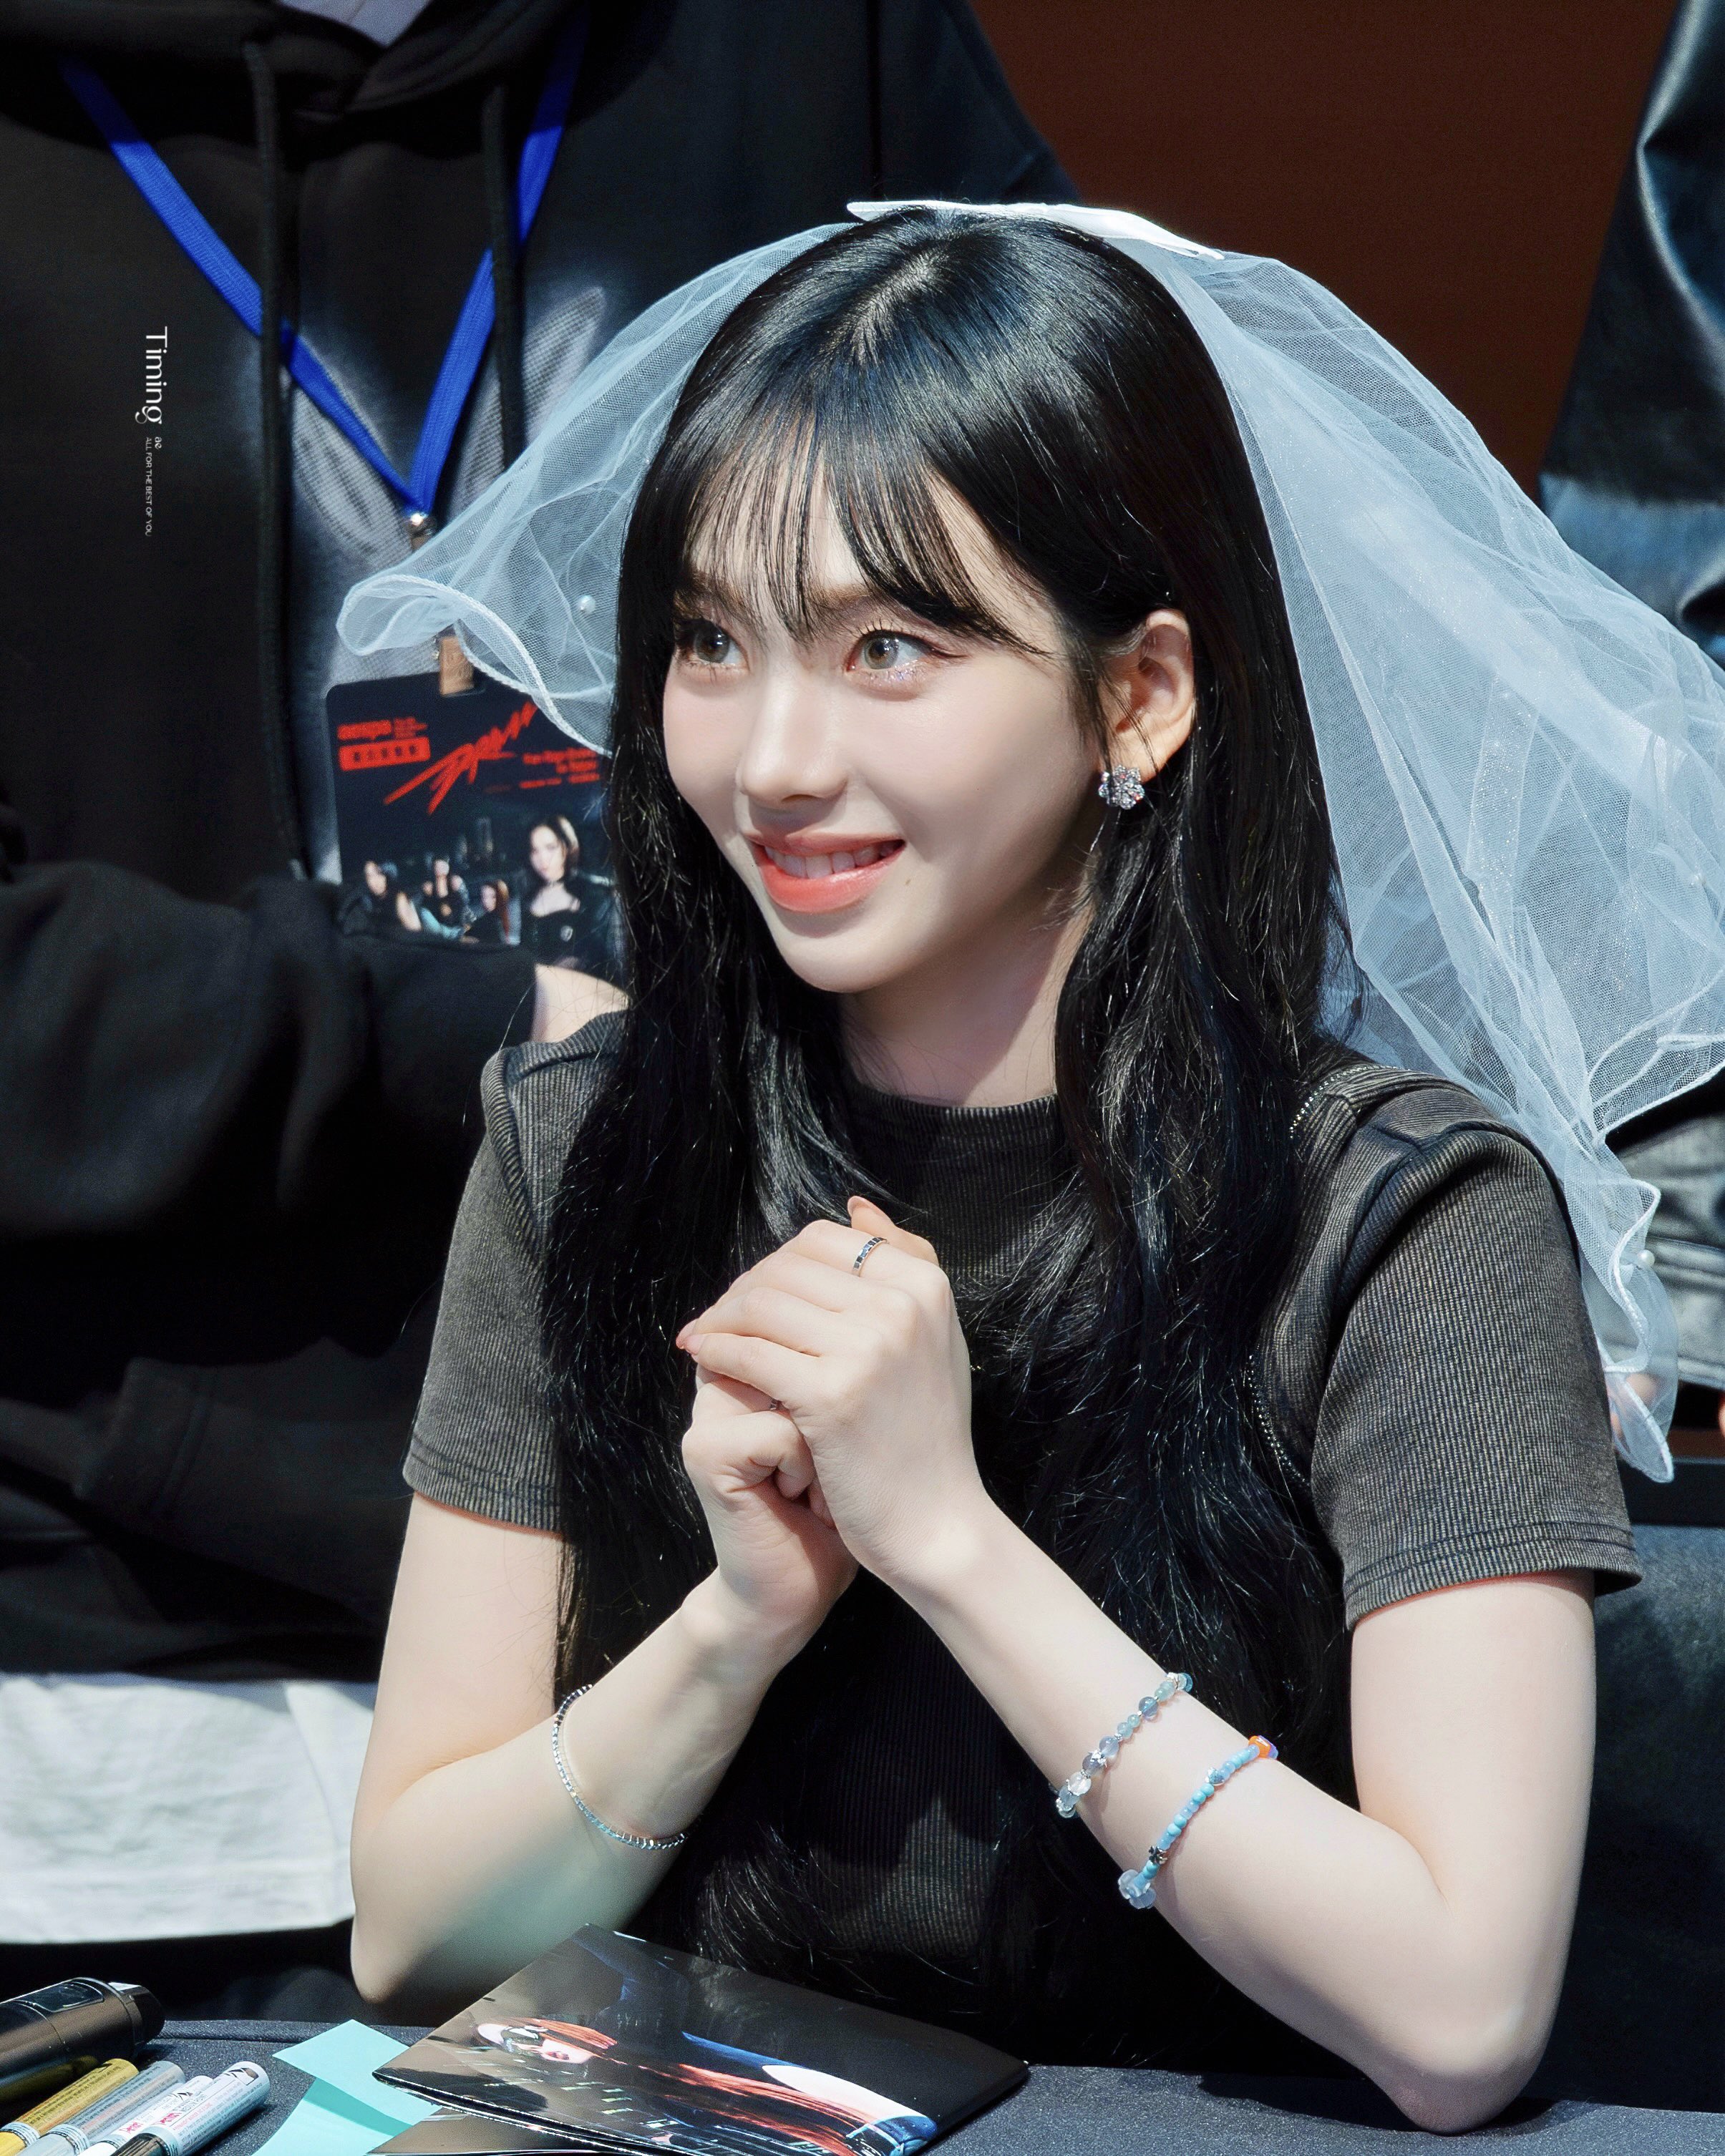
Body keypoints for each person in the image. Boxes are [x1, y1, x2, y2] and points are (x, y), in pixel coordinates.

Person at [344, 205, 1725, 2125]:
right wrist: (738, 1623)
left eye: (888, 647)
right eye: (711, 642)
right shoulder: (583, 1144)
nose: (773, 755)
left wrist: (950, 1543)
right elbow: (413, 1934)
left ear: (1137, 694)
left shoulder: (1403, 1216)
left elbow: (1458, 2010)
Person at [0, 0, 1069, 2011]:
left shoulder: (807, 46)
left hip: (746, 1646)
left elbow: (1079, 647)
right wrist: (472, 1026)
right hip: (112, 1692)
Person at [521, 816, 614, 972]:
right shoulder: (528, 898)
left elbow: (598, 954)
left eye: (551, 848)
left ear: (568, 846)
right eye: (535, 850)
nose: (542, 858)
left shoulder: (592, 894)